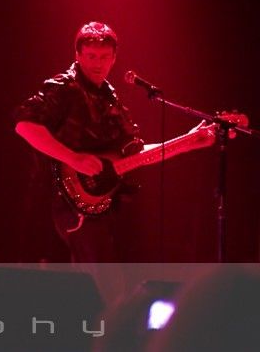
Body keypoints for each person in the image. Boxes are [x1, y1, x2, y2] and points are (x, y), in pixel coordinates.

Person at [14, 22, 212, 264]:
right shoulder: (64, 87)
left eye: (104, 57)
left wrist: (188, 142)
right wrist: (73, 158)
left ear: (114, 58)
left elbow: (136, 155)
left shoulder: (110, 98)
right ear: (77, 55)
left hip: (97, 207)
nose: (98, 63)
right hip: (57, 203)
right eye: (91, 56)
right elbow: (24, 125)